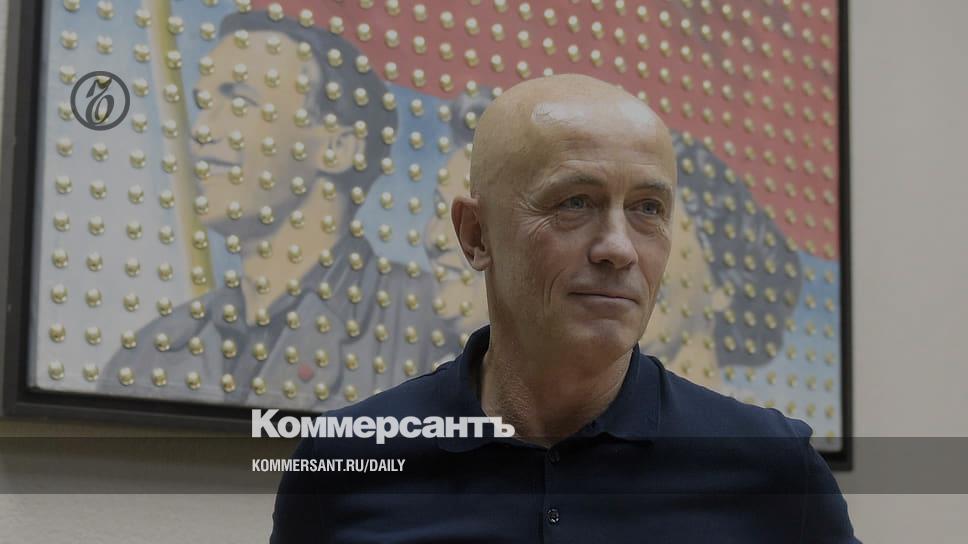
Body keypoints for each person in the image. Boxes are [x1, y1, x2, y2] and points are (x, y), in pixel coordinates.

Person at [270, 74, 858, 542]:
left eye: (648, 209)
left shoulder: (773, 470)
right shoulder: (343, 462)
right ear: (476, 235)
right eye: (575, 202)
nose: (619, 248)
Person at [96, 12, 461, 409]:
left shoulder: (438, 325)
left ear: (337, 148)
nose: (201, 129)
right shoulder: (150, 355)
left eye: (239, 100)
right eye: (203, 103)